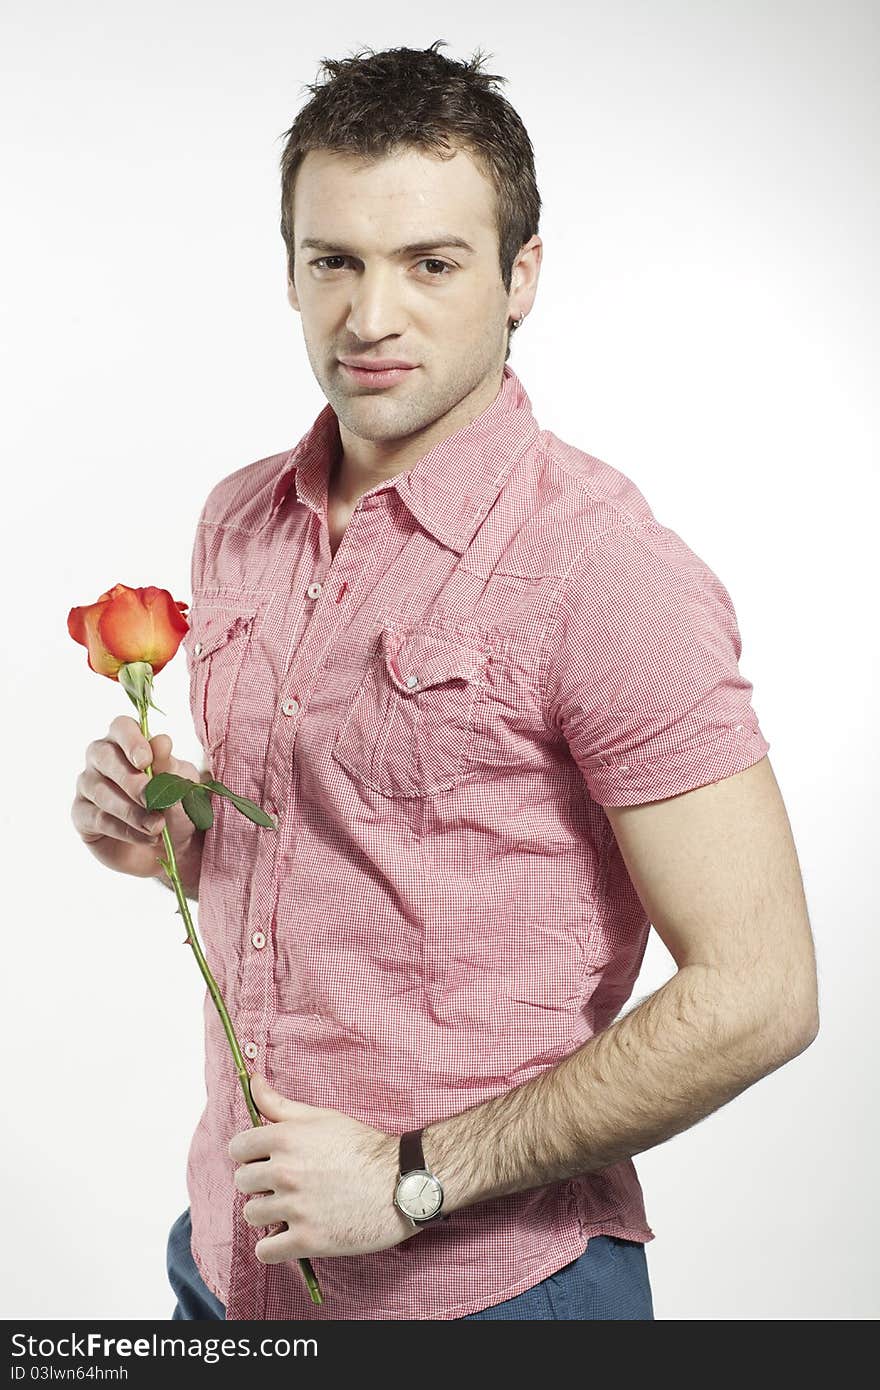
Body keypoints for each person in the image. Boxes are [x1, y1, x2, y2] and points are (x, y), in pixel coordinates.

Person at [71, 40, 819, 1322]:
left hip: (487, 1288)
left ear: (521, 276)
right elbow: (356, 853)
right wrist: (168, 827)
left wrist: (412, 1180)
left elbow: (761, 992)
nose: (371, 316)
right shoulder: (238, 520)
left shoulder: (605, 570)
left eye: (430, 263)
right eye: (335, 262)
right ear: (291, 270)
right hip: (230, 1263)